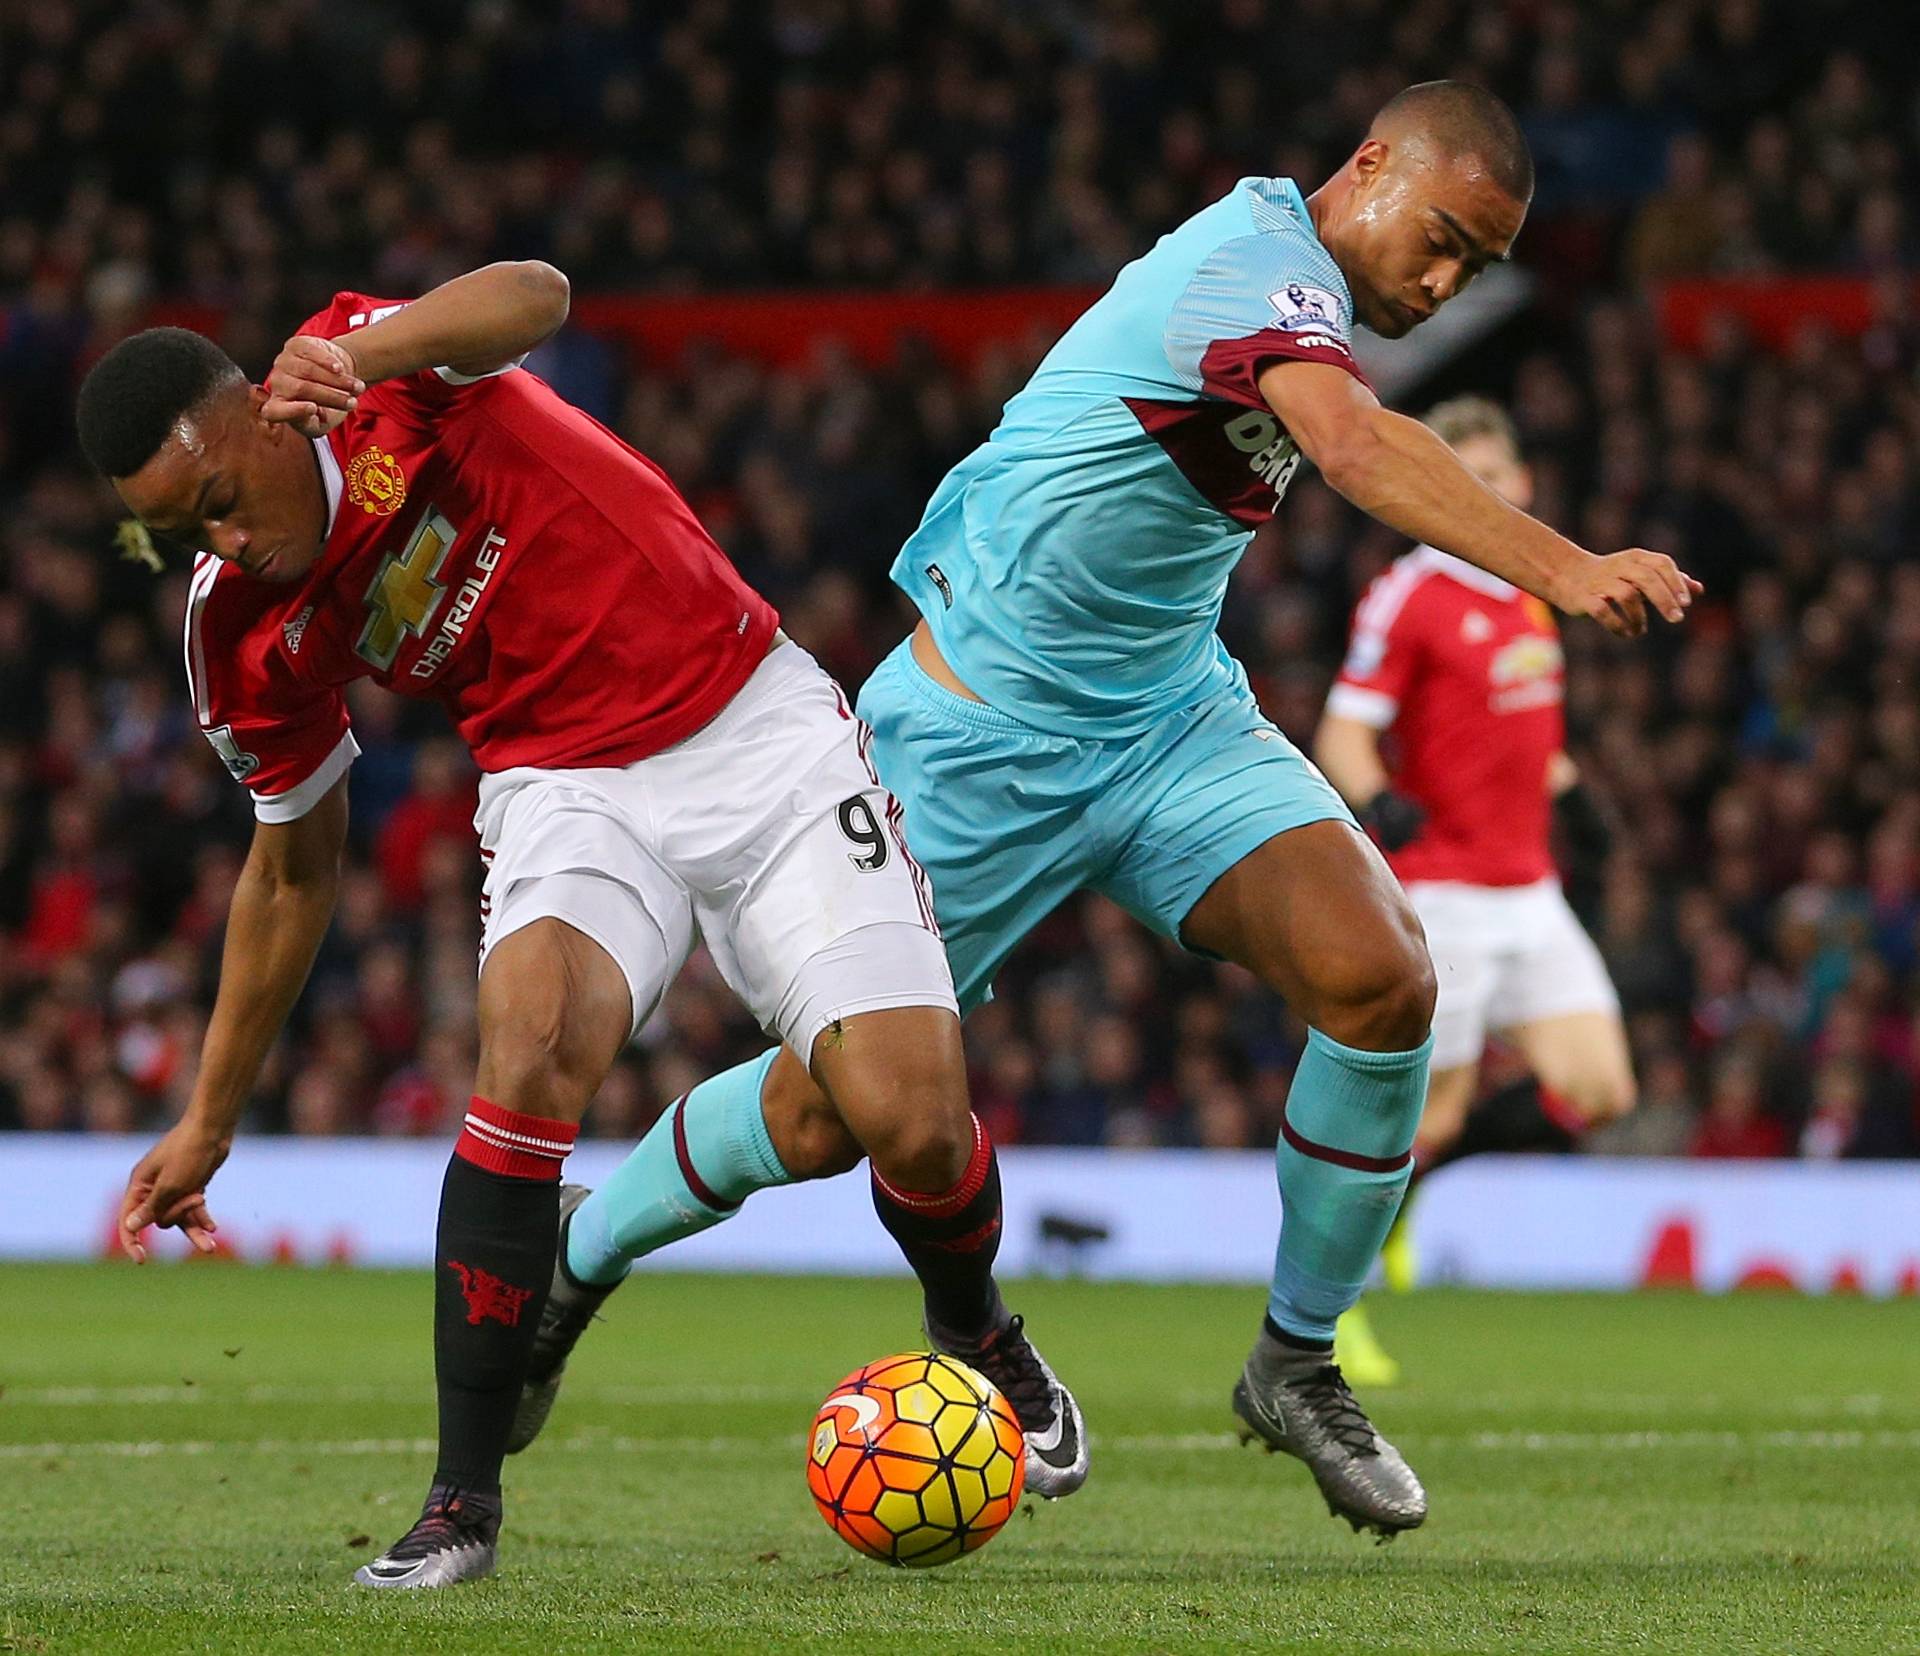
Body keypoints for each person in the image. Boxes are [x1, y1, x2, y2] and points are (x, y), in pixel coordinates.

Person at [516, 79, 1698, 1541]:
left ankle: (1297, 1361)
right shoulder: (1255, 267)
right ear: (1370, 166)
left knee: (1384, 978)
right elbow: (1351, 447)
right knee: (833, 1122)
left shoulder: (1310, 302)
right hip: (973, 739)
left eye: (1478, 268)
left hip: (1168, 719)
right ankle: (582, 1257)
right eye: (1442, 238)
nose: (1444, 280)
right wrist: (1561, 563)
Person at [74, 260, 1083, 1591]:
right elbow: (289, 876)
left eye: (219, 499)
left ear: (263, 414)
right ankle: (460, 1505)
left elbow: (538, 295)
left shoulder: (361, 367)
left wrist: (378, 359)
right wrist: (210, 1116)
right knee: (529, 1041)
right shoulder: (243, 634)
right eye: (184, 532)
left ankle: (972, 1321)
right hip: (562, 783)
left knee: (909, 1121)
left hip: (754, 724)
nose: (226, 542)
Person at [1314, 395, 1639, 1385]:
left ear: (1527, 487)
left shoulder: (1529, 592)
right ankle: (1329, 1316)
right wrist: (1379, 802)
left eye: (1503, 479)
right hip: (1446, 889)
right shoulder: (1408, 595)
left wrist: (1571, 791)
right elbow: (1344, 732)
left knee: (1602, 1090)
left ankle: (1408, 1204)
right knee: (1432, 1118)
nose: (1492, 496)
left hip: (1529, 888)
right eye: (1472, 482)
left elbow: (1507, 735)